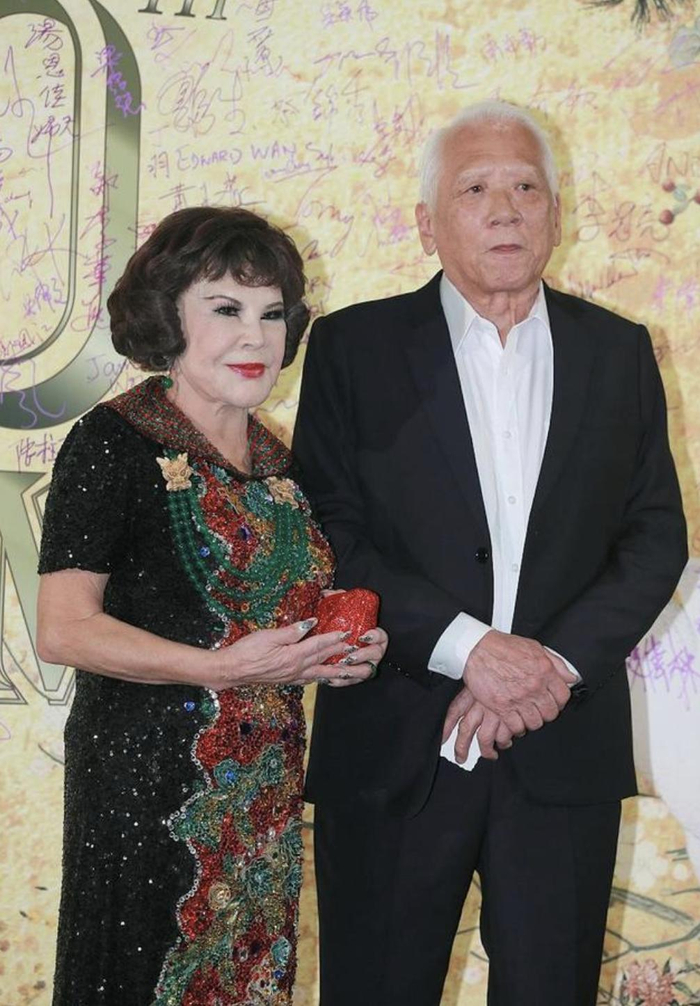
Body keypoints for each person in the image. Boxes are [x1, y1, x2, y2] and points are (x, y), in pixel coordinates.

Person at [292, 101, 688, 1006]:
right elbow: (327, 527)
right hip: (397, 746)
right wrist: (472, 650)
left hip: (562, 750)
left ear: (558, 212)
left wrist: (550, 667)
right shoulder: (353, 347)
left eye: (525, 187)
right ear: (425, 222)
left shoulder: (618, 350)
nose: (505, 209)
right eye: (474, 189)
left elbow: (654, 533)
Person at [36, 205, 387, 1006]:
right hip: (147, 789)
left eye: (272, 314)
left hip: (263, 794)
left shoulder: (280, 462)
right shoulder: (114, 441)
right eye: (225, 309)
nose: (255, 337)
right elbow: (62, 629)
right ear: (169, 318)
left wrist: (333, 654)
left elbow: (275, 619)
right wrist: (217, 668)